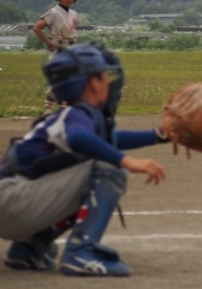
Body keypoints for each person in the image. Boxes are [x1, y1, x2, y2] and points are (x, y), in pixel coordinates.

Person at [0, 43, 169, 276]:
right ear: (93, 83)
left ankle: (29, 248)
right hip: (12, 202)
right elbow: (79, 138)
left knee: (94, 163)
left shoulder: (69, 116)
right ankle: (82, 252)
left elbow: (107, 140)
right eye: (105, 76)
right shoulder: (77, 115)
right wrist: (126, 161)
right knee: (107, 168)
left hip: (13, 202)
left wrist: (159, 135)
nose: (110, 82)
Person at [33, 0, 80, 115]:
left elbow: (72, 30)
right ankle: (50, 109)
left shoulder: (74, 14)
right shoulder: (54, 12)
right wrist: (48, 43)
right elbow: (37, 27)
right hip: (58, 48)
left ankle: (61, 108)